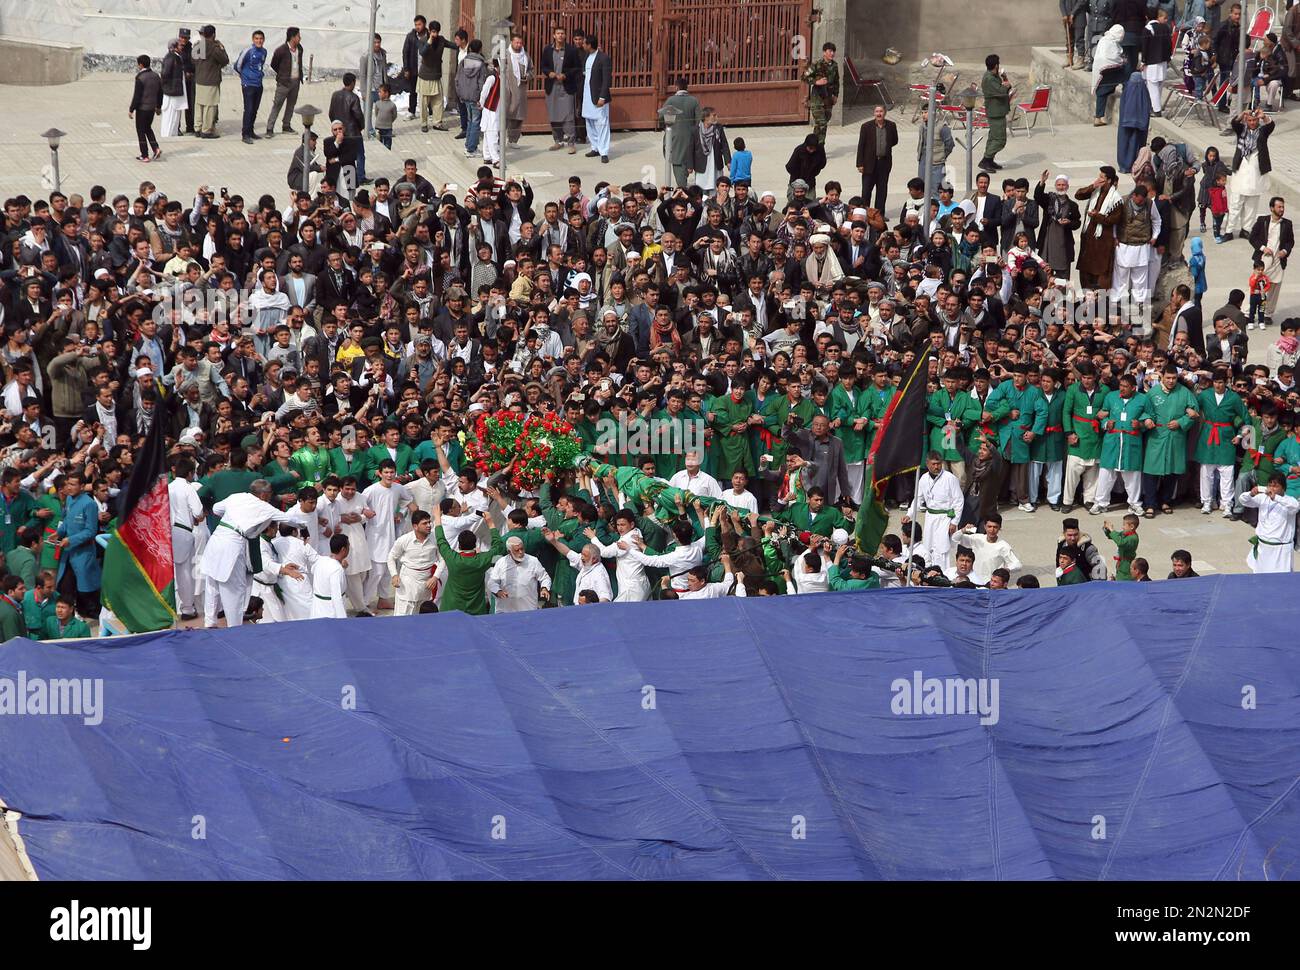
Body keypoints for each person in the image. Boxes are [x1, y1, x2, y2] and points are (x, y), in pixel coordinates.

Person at [200, 481, 303, 628]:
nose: (270, 497)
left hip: (217, 538)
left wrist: (234, 516)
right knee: (234, 590)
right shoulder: (264, 506)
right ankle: (235, 629)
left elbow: (216, 509)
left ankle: (210, 622)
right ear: (264, 494)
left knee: (212, 583)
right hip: (233, 544)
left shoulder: (237, 497)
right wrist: (304, 526)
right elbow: (290, 519)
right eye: (270, 494)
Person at [433, 502, 504, 615]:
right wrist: (490, 523)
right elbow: (499, 548)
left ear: (459, 545)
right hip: (476, 609)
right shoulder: (483, 559)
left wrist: (437, 518)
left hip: (452, 608)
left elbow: (441, 540)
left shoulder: (452, 558)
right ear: (475, 544)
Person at [1195, 368, 1247, 515]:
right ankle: (1206, 502)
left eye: (1221, 382)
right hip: (1208, 435)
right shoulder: (1205, 395)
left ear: (1227, 382)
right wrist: (1190, 412)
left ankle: (1227, 504)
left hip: (1226, 437)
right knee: (1206, 472)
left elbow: (1245, 418)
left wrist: (1240, 436)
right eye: (1216, 382)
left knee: (1227, 473)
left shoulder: (1234, 397)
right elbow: (1193, 405)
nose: (1218, 385)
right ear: (1212, 383)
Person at [1221, 109, 1275, 242]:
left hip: (1256, 173)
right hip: (1241, 170)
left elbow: (1271, 126)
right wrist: (1242, 114)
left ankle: (1246, 229)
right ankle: (1229, 230)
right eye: (1249, 120)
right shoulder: (1241, 130)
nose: (1252, 123)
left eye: (1254, 120)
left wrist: (1264, 117)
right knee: (1235, 202)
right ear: (1246, 120)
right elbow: (1234, 123)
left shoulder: (1262, 131)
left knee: (1252, 204)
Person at [902, 451, 964, 569]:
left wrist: (954, 522)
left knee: (942, 548)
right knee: (928, 546)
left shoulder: (950, 478)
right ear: (927, 464)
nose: (936, 467)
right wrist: (909, 514)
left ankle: (942, 574)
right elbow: (918, 499)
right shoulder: (924, 479)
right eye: (934, 464)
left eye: (939, 464)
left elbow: (959, 501)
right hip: (930, 517)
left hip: (945, 517)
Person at [1247, 196, 1292, 329]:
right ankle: (1246, 312)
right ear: (1272, 208)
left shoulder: (1287, 224)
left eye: (1283, 207)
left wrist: (1285, 250)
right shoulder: (1263, 221)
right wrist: (1262, 248)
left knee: (1274, 287)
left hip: (1278, 259)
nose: (1282, 209)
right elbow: (1252, 237)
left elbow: (1290, 242)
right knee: (1255, 284)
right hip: (1263, 259)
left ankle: (1268, 314)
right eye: (1279, 207)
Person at [1242, 473, 1299, 572]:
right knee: (1260, 579)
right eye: (1270, 485)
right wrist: (1250, 493)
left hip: (1280, 551)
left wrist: (1276, 498)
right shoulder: (1262, 498)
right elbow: (1243, 501)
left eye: (1276, 486)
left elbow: (1295, 506)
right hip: (1263, 547)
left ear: (1283, 488)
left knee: (1280, 581)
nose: (1272, 488)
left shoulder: (1289, 501)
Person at [386, 509, 439, 615]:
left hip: (426, 585)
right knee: (403, 620)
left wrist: (435, 577)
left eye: (429, 522)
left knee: (423, 620)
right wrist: (394, 575)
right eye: (424, 523)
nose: (428, 525)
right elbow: (391, 557)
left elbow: (443, 560)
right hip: (407, 585)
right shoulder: (404, 540)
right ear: (415, 526)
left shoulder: (436, 538)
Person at [543, 26, 580, 154]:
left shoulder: (571, 50)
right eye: (557, 33)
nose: (560, 35)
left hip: (566, 87)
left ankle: (571, 142)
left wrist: (566, 75)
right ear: (554, 35)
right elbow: (544, 66)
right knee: (554, 114)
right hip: (552, 86)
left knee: (568, 115)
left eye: (562, 33)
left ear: (565, 36)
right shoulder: (548, 50)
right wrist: (550, 73)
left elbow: (577, 68)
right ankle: (557, 141)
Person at [416, 19, 457, 132]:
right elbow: (422, 53)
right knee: (424, 102)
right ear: (429, 31)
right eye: (433, 31)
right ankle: (424, 123)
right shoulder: (423, 41)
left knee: (438, 101)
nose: (435, 34)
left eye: (437, 32)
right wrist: (429, 42)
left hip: (436, 76)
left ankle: (437, 123)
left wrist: (462, 45)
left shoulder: (441, 40)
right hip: (425, 76)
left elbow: (452, 45)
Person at [856, 105, 898, 212]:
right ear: (874, 113)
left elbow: (894, 141)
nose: (879, 114)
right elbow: (861, 145)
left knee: (882, 190)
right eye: (877, 111)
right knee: (866, 191)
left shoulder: (891, 125)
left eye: (881, 111)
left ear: (885, 113)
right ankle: (864, 213)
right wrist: (860, 164)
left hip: (884, 163)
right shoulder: (866, 126)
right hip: (869, 163)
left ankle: (879, 214)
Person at [580, 33, 613, 164]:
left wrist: (602, 97)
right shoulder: (586, 57)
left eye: (584, 43)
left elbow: (607, 79)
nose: (582, 45)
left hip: (598, 97)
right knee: (589, 121)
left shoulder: (603, 58)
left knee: (602, 123)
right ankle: (595, 147)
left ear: (589, 45)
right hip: (588, 95)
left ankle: (604, 151)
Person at [266, 27, 305, 137]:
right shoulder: (281, 50)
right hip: (284, 82)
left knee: (291, 105)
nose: (300, 38)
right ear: (292, 37)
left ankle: (286, 125)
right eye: (298, 36)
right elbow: (274, 64)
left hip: (295, 82)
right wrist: (282, 74)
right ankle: (270, 128)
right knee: (277, 104)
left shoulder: (300, 49)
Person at [194, 24, 229, 139]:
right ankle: (207, 130)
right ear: (213, 34)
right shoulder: (215, 48)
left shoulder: (198, 45)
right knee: (210, 106)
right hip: (211, 80)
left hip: (199, 79)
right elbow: (224, 60)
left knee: (199, 105)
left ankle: (198, 128)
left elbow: (193, 60)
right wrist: (222, 48)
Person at [233, 30, 268, 145]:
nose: (259, 41)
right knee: (248, 109)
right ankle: (245, 134)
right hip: (248, 84)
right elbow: (237, 65)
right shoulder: (248, 51)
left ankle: (251, 131)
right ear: (253, 40)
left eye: (261, 39)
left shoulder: (264, 51)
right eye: (257, 39)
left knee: (255, 109)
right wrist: (244, 76)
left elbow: (261, 65)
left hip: (258, 83)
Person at [979, 54, 1011, 172]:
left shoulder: (993, 76)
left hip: (998, 111)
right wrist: (1006, 86)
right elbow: (1001, 91)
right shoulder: (989, 78)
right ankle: (985, 160)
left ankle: (990, 160)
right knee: (999, 140)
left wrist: (1004, 78)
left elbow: (1002, 87)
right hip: (995, 112)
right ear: (996, 65)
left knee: (993, 138)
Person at [500, 31, 533, 146]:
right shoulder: (505, 55)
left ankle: (513, 140)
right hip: (508, 90)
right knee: (504, 115)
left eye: (520, 43)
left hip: (521, 90)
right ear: (511, 42)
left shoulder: (526, 56)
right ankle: (499, 140)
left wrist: (527, 76)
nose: (518, 45)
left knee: (518, 117)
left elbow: (531, 70)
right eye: (516, 42)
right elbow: (495, 66)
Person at [129, 54, 163, 162]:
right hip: (152, 108)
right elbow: (160, 93)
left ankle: (145, 155)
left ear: (141, 64)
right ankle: (156, 148)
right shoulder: (156, 76)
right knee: (148, 128)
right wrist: (158, 106)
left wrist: (131, 109)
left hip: (142, 109)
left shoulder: (140, 78)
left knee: (141, 131)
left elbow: (137, 96)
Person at [805, 42, 840, 145]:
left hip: (828, 99)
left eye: (833, 51)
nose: (832, 53)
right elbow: (804, 77)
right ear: (824, 52)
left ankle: (811, 144)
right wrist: (816, 82)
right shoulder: (816, 64)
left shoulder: (834, 65)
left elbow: (837, 81)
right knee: (822, 123)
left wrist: (836, 95)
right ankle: (820, 147)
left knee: (822, 123)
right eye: (830, 51)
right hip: (817, 99)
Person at [311, 534, 351, 619]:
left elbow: (313, 570)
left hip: (316, 608)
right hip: (330, 612)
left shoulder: (321, 560)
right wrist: (342, 620)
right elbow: (336, 597)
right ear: (343, 549)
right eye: (348, 546)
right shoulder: (336, 569)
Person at [159, 39, 187, 139]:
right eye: (180, 46)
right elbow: (165, 74)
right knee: (169, 118)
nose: (182, 47)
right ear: (174, 47)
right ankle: (167, 137)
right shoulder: (171, 58)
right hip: (171, 92)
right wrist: (167, 87)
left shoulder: (176, 57)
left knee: (175, 117)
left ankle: (173, 136)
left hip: (175, 91)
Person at [1103, 513, 1141, 580]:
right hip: (1121, 563)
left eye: (1124, 525)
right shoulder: (1125, 534)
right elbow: (1114, 536)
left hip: (1127, 565)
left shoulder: (1133, 538)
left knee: (1123, 580)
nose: (1122, 527)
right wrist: (1106, 529)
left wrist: (1112, 529)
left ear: (1131, 526)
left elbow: (1120, 542)